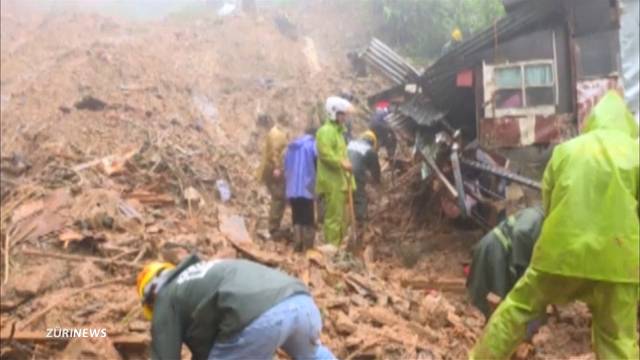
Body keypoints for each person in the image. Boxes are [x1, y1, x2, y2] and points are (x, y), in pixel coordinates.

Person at [470, 91, 639, 359]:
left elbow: (549, 206)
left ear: (593, 120)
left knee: (518, 308)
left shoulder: (566, 151)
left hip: (560, 254)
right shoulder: (635, 153)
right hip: (618, 263)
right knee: (616, 339)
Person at [137, 255, 335, 360]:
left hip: (260, 319)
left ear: (152, 294)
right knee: (313, 355)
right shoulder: (200, 275)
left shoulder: (165, 296)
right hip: (300, 301)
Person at [466, 206, 544, 319]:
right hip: (495, 250)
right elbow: (521, 233)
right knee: (492, 300)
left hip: (498, 251)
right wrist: (523, 267)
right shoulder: (537, 216)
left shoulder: (538, 218)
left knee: (496, 299)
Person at [316, 96, 355, 246]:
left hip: (341, 181)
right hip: (332, 182)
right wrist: (341, 163)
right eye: (342, 114)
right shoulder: (325, 131)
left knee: (342, 218)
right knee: (334, 217)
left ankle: (340, 247)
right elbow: (325, 153)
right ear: (334, 113)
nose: (345, 117)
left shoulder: (339, 133)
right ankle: (332, 248)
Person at [284, 127, 318, 252]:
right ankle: (308, 246)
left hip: (292, 187)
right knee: (308, 217)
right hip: (306, 186)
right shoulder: (312, 145)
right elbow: (317, 162)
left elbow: (286, 166)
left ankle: (297, 244)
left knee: (296, 216)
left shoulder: (292, 147)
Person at [256, 115, 288, 237]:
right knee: (278, 197)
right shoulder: (277, 134)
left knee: (278, 197)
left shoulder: (276, 132)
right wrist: (277, 167)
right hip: (273, 170)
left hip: (272, 168)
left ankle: (273, 225)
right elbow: (274, 152)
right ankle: (273, 227)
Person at [347, 130, 381, 224]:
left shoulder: (351, 143)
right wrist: (377, 182)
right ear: (373, 142)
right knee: (360, 196)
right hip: (356, 172)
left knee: (346, 194)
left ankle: (347, 217)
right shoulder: (370, 151)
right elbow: (375, 170)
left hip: (343, 170)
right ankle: (361, 220)